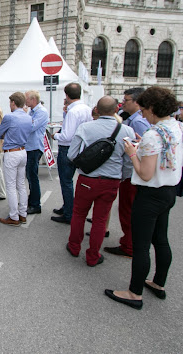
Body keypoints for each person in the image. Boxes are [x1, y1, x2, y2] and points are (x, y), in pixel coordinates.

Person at [105, 87, 183, 310]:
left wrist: (133, 152)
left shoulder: (154, 135)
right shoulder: (180, 127)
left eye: (143, 109)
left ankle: (134, 293)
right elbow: (177, 159)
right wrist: (145, 147)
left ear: (152, 108)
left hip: (150, 193)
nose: (142, 114)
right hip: (169, 190)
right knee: (161, 240)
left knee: (141, 246)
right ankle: (158, 283)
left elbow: (145, 173)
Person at [66, 96, 135, 267]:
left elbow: (71, 154)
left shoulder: (86, 128)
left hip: (87, 179)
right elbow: (128, 162)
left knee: (79, 214)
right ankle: (93, 256)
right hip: (111, 180)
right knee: (100, 219)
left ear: (96, 109)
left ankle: (74, 247)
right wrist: (122, 176)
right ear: (116, 110)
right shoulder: (126, 131)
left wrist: (85, 165)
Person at [104, 87, 151, 258]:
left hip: (132, 173)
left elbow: (143, 149)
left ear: (137, 102)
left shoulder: (137, 122)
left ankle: (129, 245)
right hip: (132, 172)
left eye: (127, 100)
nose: (123, 103)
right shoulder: (133, 119)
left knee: (128, 209)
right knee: (127, 209)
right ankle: (128, 242)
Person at [51, 83, 92, 224]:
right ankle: (68, 207)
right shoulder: (86, 109)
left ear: (67, 95)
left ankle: (69, 213)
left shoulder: (73, 112)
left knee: (66, 182)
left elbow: (67, 136)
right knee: (71, 181)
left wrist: (56, 136)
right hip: (81, 148)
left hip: (68, 149)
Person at [0, 92, 32, 226]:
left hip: (12, 152)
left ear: (13, 103)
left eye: (10, 102)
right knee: (21, 185)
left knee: (11, 186)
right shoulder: (28, 117)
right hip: (23, 151)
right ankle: (23, 214)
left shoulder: (10, 117)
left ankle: (14, 216)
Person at [24, 90, 49, 214]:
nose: (25, 101)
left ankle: (35, 204)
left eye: (27, 99)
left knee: (32, 176)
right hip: (30, 147)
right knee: (29, 175)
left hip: (34, 148)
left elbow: (31, 127)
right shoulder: (32, 111)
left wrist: (23, 117)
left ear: (33, 100)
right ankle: (32, 200)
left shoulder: (41, 112)